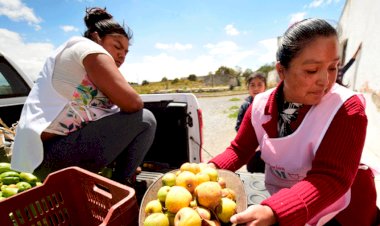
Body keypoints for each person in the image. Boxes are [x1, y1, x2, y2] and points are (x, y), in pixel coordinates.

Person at [209, 18, 379, 225]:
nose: (325, 80)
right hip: (289, 206)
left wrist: (276, 210)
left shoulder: (346, 108)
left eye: (333, 67)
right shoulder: (260, 105)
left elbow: (331, 177)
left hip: (342, 212)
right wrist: (208, 169)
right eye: (312, 70)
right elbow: (239, 149)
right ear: (281, 71)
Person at [11, 7, 157, 186]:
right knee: (146, 119)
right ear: (96, 38)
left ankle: (115, 181)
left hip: (44, 157)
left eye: (126, 52)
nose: (122, 55)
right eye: (117, 46)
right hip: (47, 156)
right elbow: (134, 104)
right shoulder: (86, 48)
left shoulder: (86, 66)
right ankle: (121, 186)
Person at [235, 72, 266, 173]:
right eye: (252, 85)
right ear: (248, 88)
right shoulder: (245, 106)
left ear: (265, 87)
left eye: (259, 84)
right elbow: (239, 127)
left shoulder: (271, 104)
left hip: (267, 150)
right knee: (253, 170)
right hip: (252, 150)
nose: (256, 88)